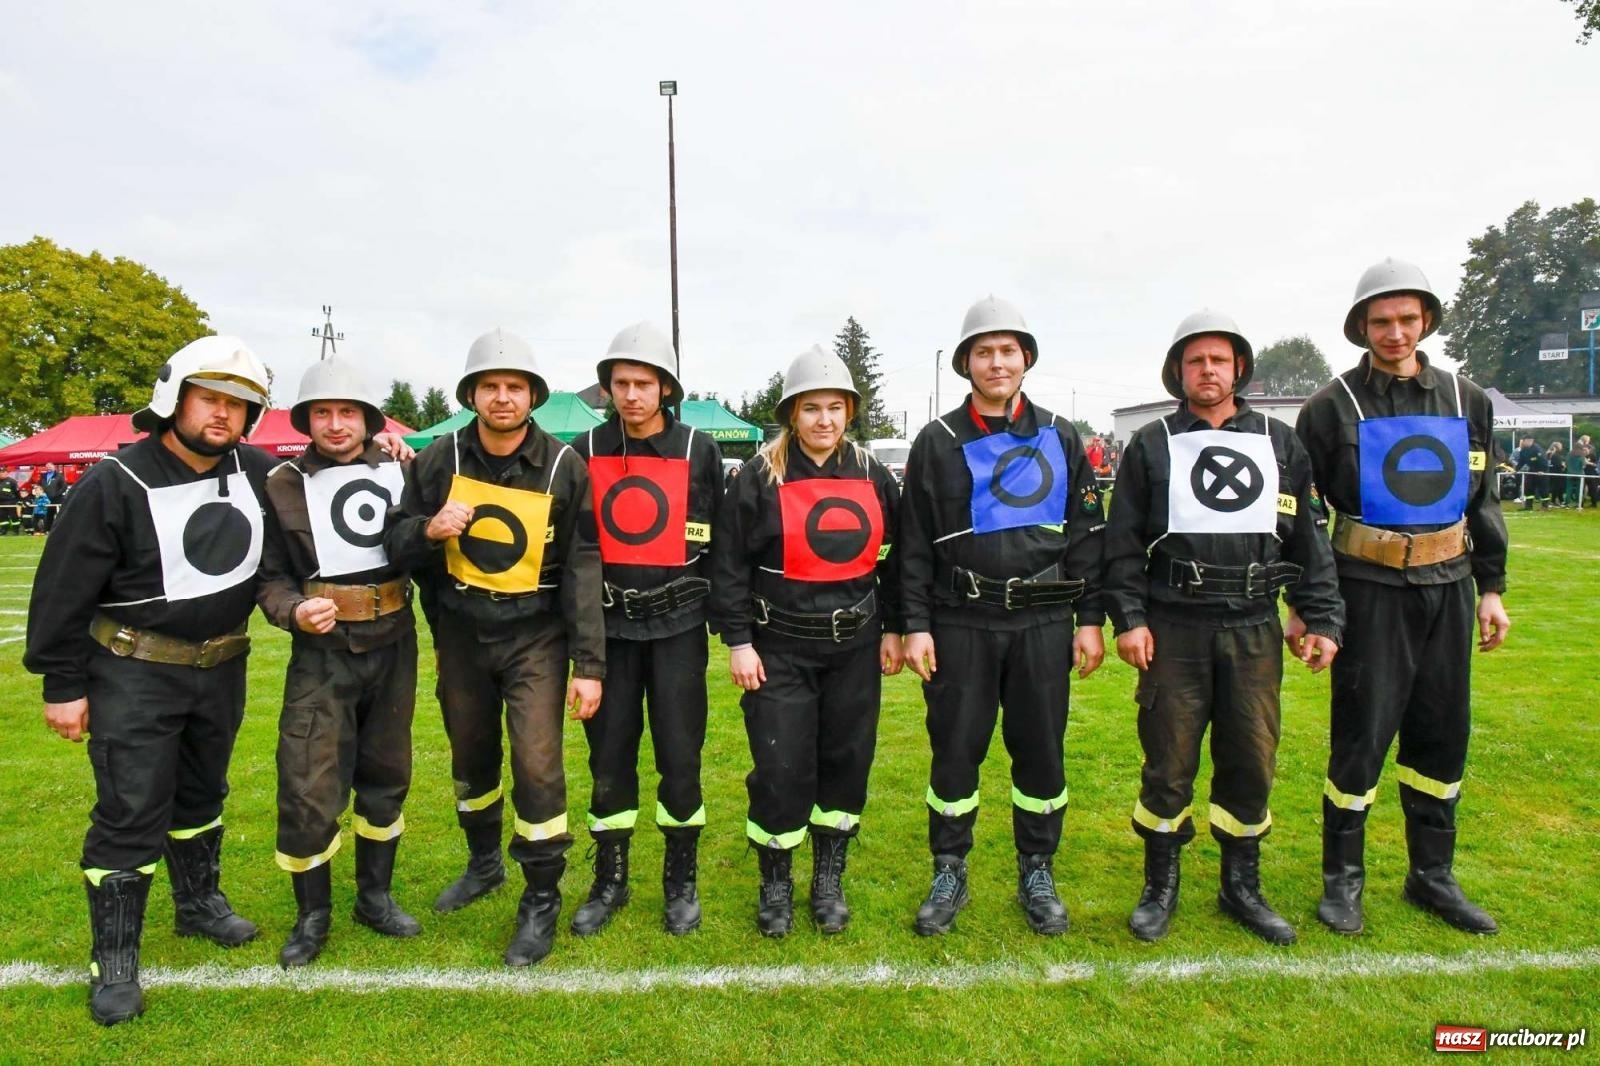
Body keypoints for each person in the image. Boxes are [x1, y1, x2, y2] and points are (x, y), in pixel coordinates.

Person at [24, 336, 275, 1025]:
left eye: (238, 404)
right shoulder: (117, 480)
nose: (222, 415)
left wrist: (394, 453)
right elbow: (63, 589)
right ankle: (116, 964)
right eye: (210, 399)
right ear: (175, 399)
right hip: (134, 672)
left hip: (219, 667)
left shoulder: (255, 470)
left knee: (202, 794)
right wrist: (61, 683)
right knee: (132, 811)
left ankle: (198, 906)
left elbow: (321, 480)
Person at [1105, 309, 1344, 945]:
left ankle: (1243, 886)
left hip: (1255, 628)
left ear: (1239, 367)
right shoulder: (1151, 443)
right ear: (1177, 371)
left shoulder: (1278, 441)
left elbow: (1308, 538)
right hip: (1175, 628)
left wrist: (1319, 614)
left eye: (1218, 360)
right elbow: (1122, 543)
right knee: (1168, 760)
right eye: (1194, 361)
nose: (1207, 371)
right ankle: (1160, 885)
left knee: (1250, 759)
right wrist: (1128, 619)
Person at [1296, 258, 1510, 937]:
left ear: (1426, 322)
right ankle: (1343, 880)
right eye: (1381, 321)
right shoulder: (1329, 408)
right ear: (1361, 326)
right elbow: (1301, 517)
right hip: (1368, 589)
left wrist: (1492, 590)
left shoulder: (1465, 399)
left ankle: (1432, 875)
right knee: (1362, 733)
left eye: (1407, 319)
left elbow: (1484, 501)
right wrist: (1307, 603)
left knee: (1442, 733)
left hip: (1447, 588)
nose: (1394, 332)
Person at [386, 328, 605, 967]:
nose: (502, 398)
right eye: (490, 387)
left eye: (514, 387)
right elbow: (395, 542)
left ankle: (541, 896)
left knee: (537, 762)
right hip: (460, 633)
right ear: (473, 394)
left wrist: (588, 666)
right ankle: (484, 863)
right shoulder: (438, 458)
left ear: (532, 395)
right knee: (471, 754)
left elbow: (583, 566)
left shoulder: (566, 466)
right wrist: (427, 529)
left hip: (535, 634)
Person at [899, 295, 1106, 937]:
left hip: (1043, 624)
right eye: (983, 352)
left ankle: (1036, 869)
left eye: (1007, 351)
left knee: (1041, 751)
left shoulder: (1061, 434)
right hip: (961, 620)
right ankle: (949, 867)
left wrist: (1091, 619)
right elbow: (913, 541)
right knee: (955, 751)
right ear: (967, 363)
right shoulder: (936, 441)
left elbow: (1086, 534)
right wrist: (915, 623)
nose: (996, 362)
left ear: (1025, 360)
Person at [710, 345, 902, 936]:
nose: (823, 420)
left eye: (834, 408)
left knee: (846, 763)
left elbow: (897, 558)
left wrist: (894, 627)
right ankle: (775, 881)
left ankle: (827, 878)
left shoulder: (874, 474)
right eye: (811, 408)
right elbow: (729, 566)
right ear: (793, 414)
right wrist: (739, 641)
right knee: (780, 767)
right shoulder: (758, 478)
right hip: (779, 650)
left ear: (849, 412)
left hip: (855, 650)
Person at [256, 355, 422, 967]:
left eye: (347, 412)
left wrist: (408, 463)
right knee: (308, 781)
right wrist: (294, 610)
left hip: (394, 641)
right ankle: (312, 914)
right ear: (305, 420)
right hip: (321, 656)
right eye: (321, 413)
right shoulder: (281, 484)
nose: (335, 424)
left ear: (368, 418)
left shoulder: (403, 473)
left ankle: (374, 898)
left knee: (386, 773)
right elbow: (268, 578)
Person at [568, 322, 723, 937]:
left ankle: (680, 880)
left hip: (679, 627)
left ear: (665, 388)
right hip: (608, 631)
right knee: (609, 759)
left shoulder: (697, 450)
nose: (631, 395)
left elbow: (717, 541)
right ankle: (610, 879)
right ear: (607, 389)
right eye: (620, 384)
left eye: (644, 383)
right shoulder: (583, 448)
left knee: (680, 757)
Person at [1512, 435, 1544, 510]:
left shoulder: (1537, 449)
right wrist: (1516, 470)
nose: (1522, 442)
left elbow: (1543, 460)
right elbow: (1521, 462)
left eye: (1524, 441)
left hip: (1542, 471)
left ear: (1530, 441)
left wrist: (1542, 470)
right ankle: (1528, 506)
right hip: (1531, 470)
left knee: (1543, 489)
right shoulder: (1524, 450)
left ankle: (1545, 506)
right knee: (1528, 488)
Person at [0, 465, 20, 534]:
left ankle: (16, 530)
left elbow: (17, 492)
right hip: (1, 503)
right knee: (2, 517)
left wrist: (18, 501)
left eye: (2, 472)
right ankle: (3, 530)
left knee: (14, 517)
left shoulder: (12, 481)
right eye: (0, 472)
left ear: (6, 472)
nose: (1, 473)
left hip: (11, 502)